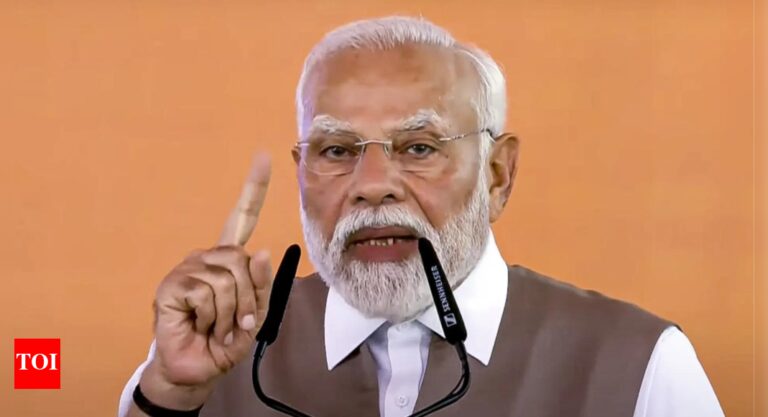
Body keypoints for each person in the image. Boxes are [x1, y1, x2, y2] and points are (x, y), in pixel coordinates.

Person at [118, 16, 724, 417]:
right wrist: (169, 396)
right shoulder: (215, 353)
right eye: (337, 151)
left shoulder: (640, 365)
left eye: (418, 147)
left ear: (497, 173)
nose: (371, 186)